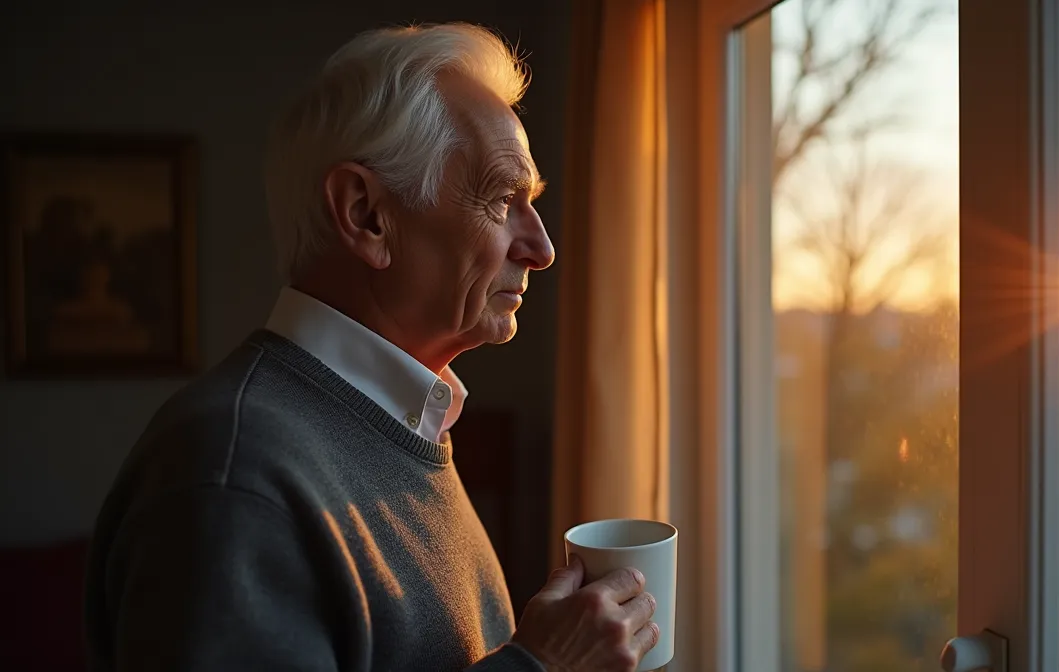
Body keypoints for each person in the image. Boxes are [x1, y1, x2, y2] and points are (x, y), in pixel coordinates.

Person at [84, 23, 660, 672]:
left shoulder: (401, 425)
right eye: (503, 199)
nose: (543, 249)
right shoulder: (233, 474)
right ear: (365, 215)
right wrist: (543, 667)